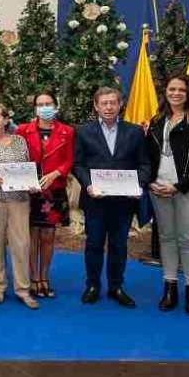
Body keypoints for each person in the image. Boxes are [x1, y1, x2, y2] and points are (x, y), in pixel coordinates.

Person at [72, 87, 151, 308]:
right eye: (104, 103)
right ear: (96, 106)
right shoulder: (83, 132)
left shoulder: (135, 132)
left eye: (113, 103)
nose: (108, 107)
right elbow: (78, 164)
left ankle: (116, 286)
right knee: (94, 244)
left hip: (123, 202)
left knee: (119, 246)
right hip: (95, 200)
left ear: (120, 105)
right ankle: (93, 285)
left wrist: (138, 185)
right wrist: (88, 185)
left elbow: (145, 164)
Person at [146, 74, 189, 315]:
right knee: (166, 237)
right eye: (171, 89)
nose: (176, 93)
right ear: (165, 92)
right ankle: (170, 287)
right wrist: (150, 182)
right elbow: (148, 157)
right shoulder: (157, 120)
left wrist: (178, 186)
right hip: (159, 188)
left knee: (188, 239)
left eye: (181, 90)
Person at [0, 104, 39, 309]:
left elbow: (28, 166)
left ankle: (23, 289)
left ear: (6, 120)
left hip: (19, 199)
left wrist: (32, 183)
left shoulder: (20, 141)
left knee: (21, 245)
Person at [15, 92, 74, 299]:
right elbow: (18, 158)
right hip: (30, 190)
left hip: (54, 190)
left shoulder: (67, 131)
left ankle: (44, 277)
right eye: (40, 104)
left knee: (48, 236)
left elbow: (70, 159)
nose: (44, 107)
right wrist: (27, 179)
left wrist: (57, 173)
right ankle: (33, 278)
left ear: (56, 106)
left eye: (48, 103)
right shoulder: (23, 130)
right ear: (35, 108)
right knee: (32, 236)